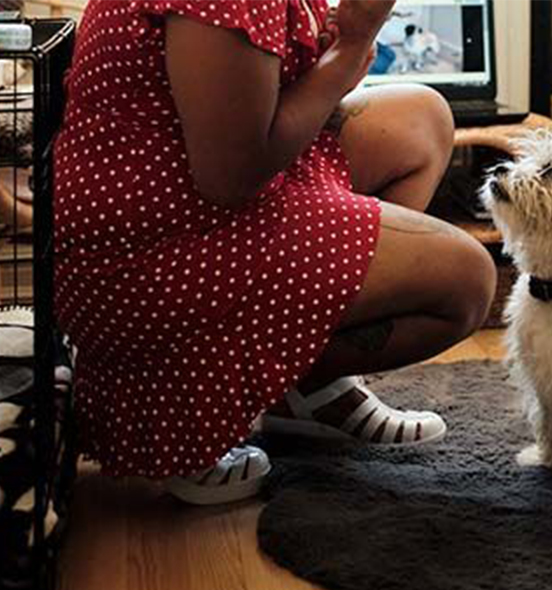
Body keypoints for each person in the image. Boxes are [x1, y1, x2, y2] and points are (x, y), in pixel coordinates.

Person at [54, 0, 496, 505]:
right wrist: (349, 51)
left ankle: (302, 391)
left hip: (191, 190)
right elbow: (231, 177)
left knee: (423, 121)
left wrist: (329, 48)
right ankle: (193, 405)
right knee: (466, 283)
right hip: (155, 251)